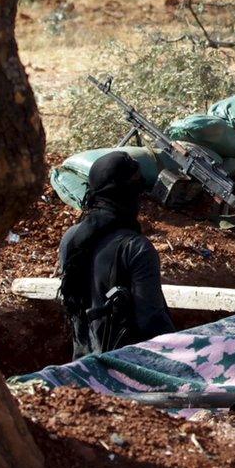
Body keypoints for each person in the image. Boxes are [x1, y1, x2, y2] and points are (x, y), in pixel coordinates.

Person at [58, 151, 175, 359]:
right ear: (130, 193)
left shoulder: (71, 238)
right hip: (126, 370)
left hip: (84, 370)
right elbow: (152, 322)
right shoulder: (136, 248)